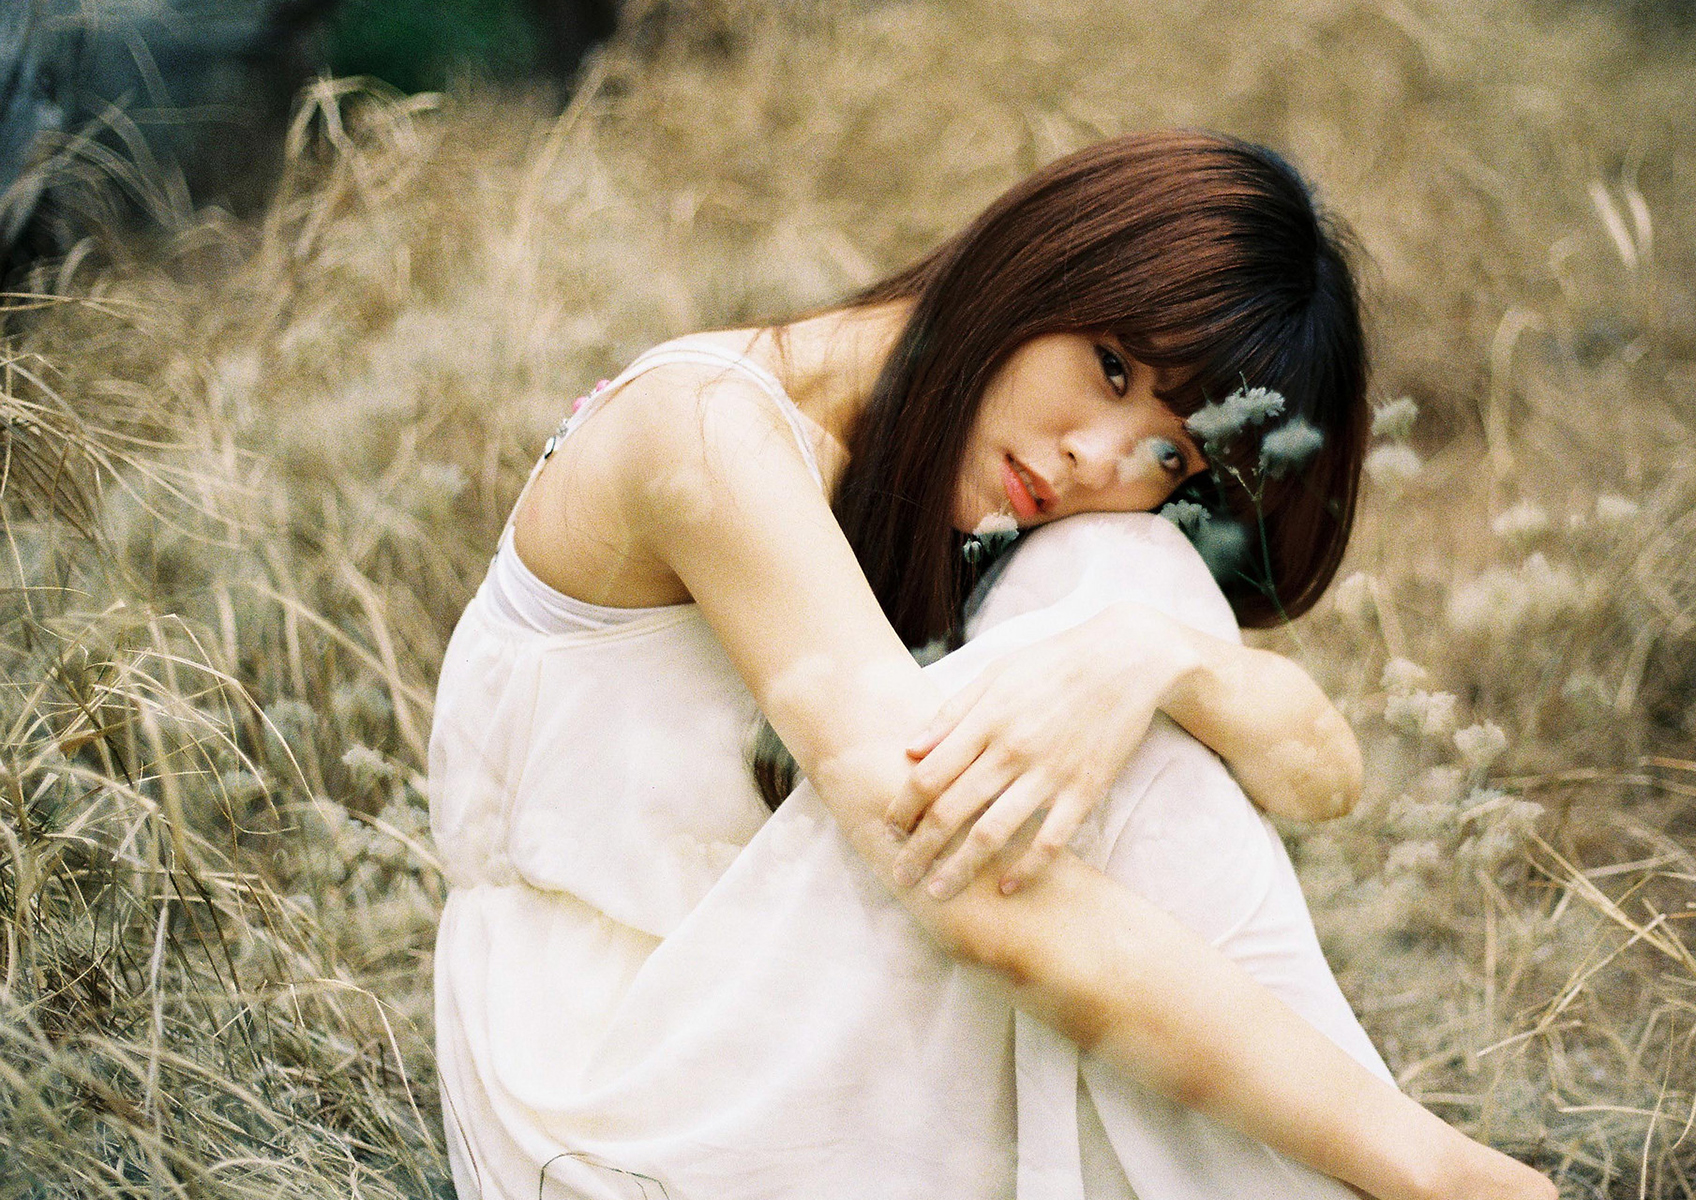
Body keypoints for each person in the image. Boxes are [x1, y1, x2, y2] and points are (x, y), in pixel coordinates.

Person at [427, 130, 1558, 1200]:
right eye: (1111, 368)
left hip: (768, 1009)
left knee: (1129, 578)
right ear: (1041, 264)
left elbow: (1324, 780)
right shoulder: (707, 430)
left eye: (1173, 455)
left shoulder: (992, 496)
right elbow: (975, 893)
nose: (1098, 459)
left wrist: (1156, 661)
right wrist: (1432, 1166)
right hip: (605, 1085)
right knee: (1071, 672)